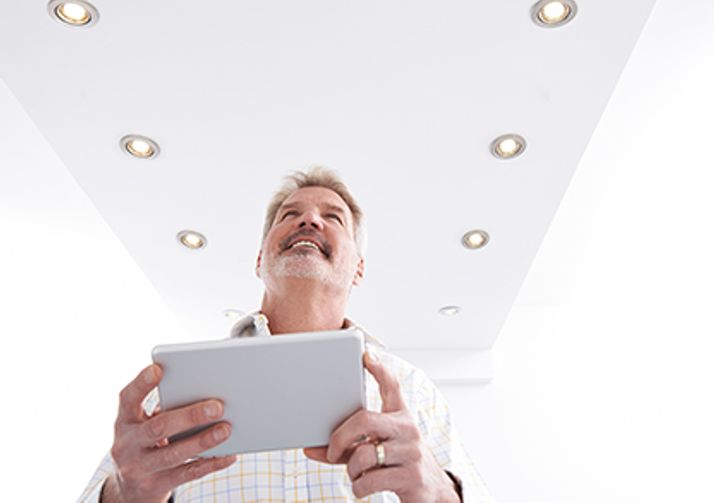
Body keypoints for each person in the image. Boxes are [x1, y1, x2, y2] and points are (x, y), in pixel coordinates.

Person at [78, 166, 494, 503]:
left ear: (359, 268)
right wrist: (124, 493)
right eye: (289, 216)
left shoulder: (411, 389)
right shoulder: (172, 396)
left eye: (332, 218)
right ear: (260, 259)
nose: (310, 220)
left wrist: (436, 492)